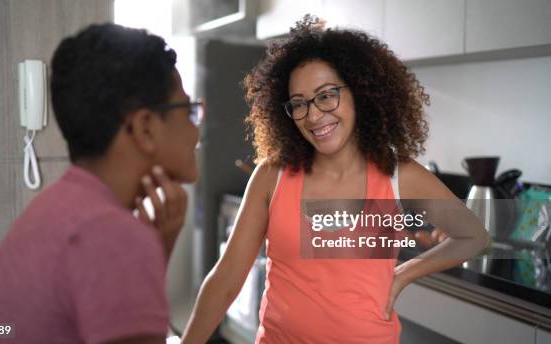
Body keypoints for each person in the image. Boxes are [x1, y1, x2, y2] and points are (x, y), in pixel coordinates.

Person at [182, 16, 488, 344]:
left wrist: (404, 274)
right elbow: (226, 278)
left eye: (326, 95)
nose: (313, 115)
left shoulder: (400, 176)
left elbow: (473, 237)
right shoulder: (273, 175)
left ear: (358, 92)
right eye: (299, 103)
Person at [0, 23, 201, 344]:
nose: (196, 131)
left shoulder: (62, 207)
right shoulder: (110, 234)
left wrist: (159, 247)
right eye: (188, 110)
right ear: (146, 128)